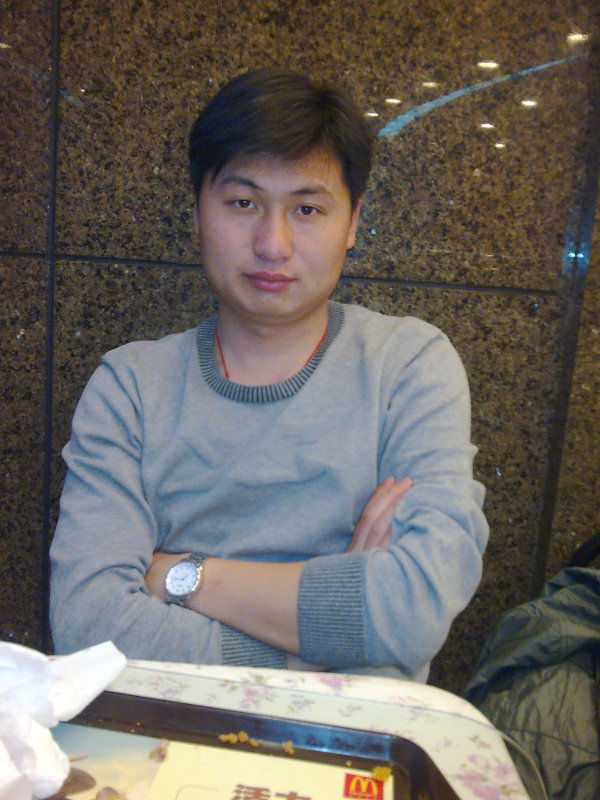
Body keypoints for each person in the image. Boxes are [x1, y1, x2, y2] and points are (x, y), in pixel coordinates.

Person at [50, 67, 488, 680]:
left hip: (350, 733)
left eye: (307, 208)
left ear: (352, 223)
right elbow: (86, 622)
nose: (273, 244)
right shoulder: (131, 386)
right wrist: (330, 635)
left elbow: (411, 610)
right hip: (162, 727)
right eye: (243, 203)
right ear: (197, 212)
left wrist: (176, 575)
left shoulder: (407, 366)